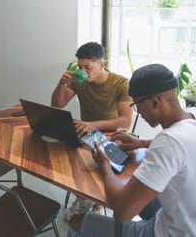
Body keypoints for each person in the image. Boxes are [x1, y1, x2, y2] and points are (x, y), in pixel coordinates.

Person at [67, 63, 196, 237]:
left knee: (76, 221)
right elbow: (183, 146)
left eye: (136, 104)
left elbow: (122, 212)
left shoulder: (168, 142)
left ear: (155, 102)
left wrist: (105, 166)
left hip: (173, 232)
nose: (136, 110)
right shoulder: (191, 116)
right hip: (183, 216)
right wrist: (141, 143)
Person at [51, 42, 133, 219]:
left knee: (89, 163)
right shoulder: (78, 82)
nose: (83, 71)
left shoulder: (120, 83)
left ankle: (92, 200)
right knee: (62, 157)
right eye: (80, 66)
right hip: (86, 132)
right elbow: (57, 104)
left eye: (87, 67)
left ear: (101, 65)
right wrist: (61, 84)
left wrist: (93, 125)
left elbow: (125, 121)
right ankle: (85, 196)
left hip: (112, 135)